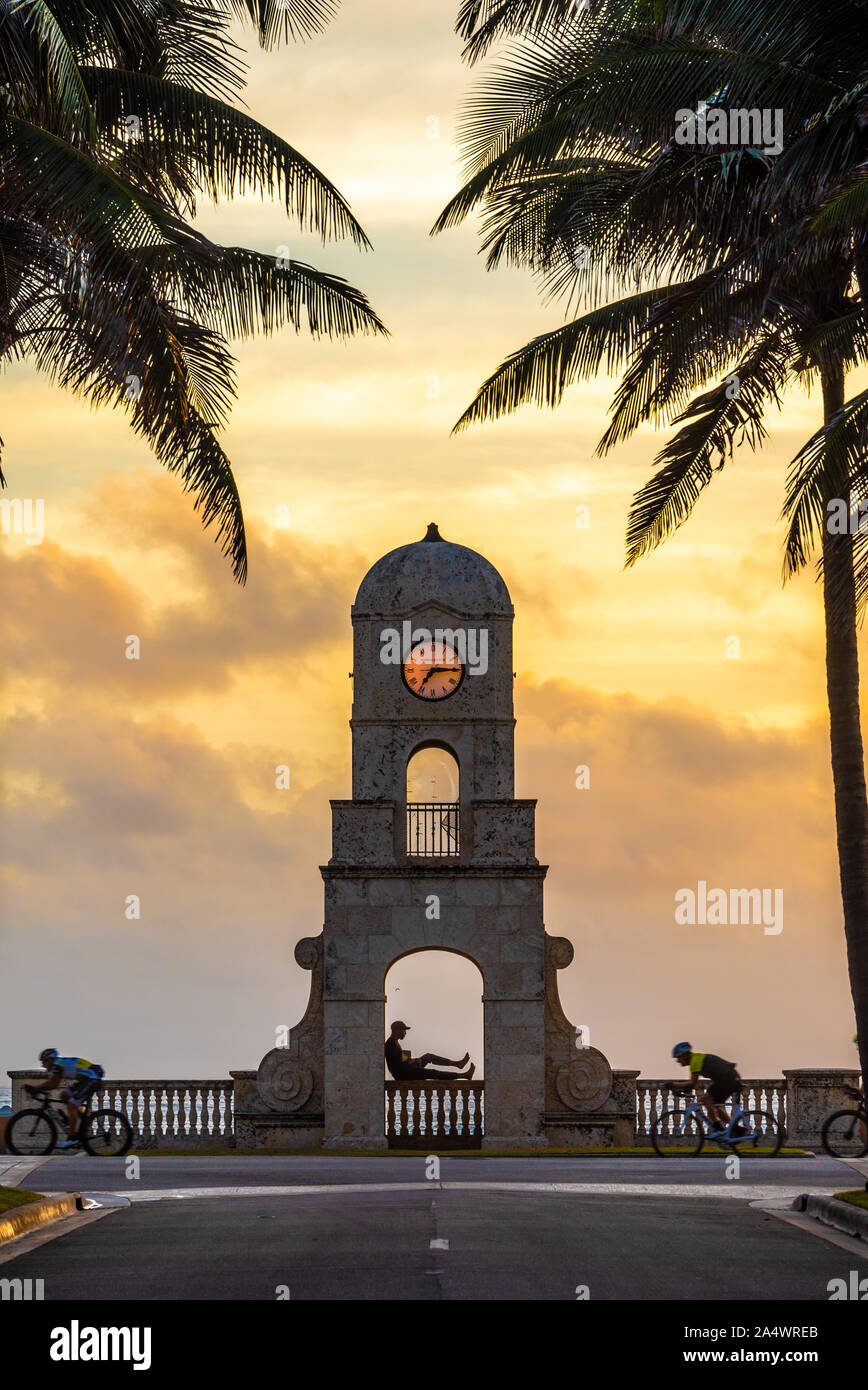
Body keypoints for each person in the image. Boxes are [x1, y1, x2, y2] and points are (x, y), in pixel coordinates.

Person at [30, 1048, 104, 1150]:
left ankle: (72, 1138)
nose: (42, 1065)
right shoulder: (59, 1064)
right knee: (64, 1095)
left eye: (44, 1062)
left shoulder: (57, 1065)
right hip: (85, 1080)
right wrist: (38, 1089)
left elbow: (53, 1084)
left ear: (50, 1060)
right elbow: (53, 1082)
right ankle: (81, 1119)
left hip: (92, 1079)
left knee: (71, 1106)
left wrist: (36, 1089)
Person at [671, 1042, 741, 1136]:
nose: (678, 1061)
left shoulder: (695, 1061)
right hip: (729, 1078)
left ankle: (718, 1128)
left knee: (706, 1099)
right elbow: (691, 1086)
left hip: (727, 1079)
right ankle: (734, 1129)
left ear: (685, 1055)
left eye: (679, 1057)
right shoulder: (695, 1060)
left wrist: (672, 1084)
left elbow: (692, 1082)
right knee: (715, 1106)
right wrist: (681, 1090)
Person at [385, 1022, 475, 1081]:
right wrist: (412, 1062)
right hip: (404, 1074)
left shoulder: (395, 1042)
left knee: (428, 1056)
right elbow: (397, 1065)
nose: (405, 1033)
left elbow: (401, 1059)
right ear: (397, 1030)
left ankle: (457, 1064)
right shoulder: (390, 1044)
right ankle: (464, 1075)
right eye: (404, 1030)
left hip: (406, 1069)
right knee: (432, 1072)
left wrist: (414, 1060)